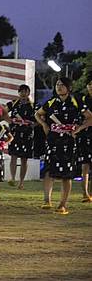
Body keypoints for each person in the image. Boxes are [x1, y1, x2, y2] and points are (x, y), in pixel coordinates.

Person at [35, 77, 92, 215]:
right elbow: (38, 114)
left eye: (62, 85)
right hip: (53, 140)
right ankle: (47, 201)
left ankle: (62, 204)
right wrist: (44, 124)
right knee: (49, 170)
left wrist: (79, 128)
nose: (59, 87)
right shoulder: (51, 102)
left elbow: (90, 117)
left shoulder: (76, 102)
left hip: (69, 141)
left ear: (69, 88)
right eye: (57, 85)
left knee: (67, 173)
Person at [6, 85, 36, 189]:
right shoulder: (13, 103)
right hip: (15, 133)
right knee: (13, 156)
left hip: (27, 134)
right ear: (18, 93)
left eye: (25, 92)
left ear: (28, 93)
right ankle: (12, 178)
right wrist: (9, 120)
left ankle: (21, 182)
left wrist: (32, 124)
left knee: (24, 159)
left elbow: (40, 117)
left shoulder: (33, 105)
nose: (23, 94)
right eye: (21, 92)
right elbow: (2, 111)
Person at [77, 80, 92, 202]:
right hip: (85, 134)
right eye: (90, 84)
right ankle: (85, 193)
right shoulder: (82, 99)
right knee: (85, 165)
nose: (91, 86)